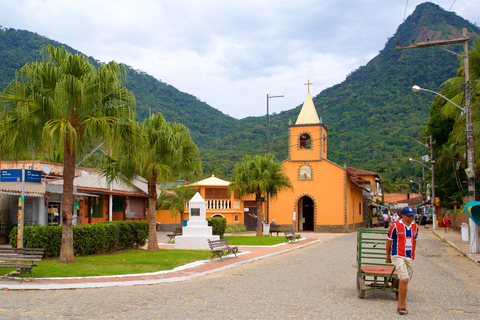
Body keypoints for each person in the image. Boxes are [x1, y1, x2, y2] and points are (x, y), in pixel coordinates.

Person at [386, 206, 419, 316]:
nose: (411, 218)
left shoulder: (415, 227)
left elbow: (415, 241)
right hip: (397, 255)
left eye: (412, 216)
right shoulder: (395, 227)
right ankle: (401, 305)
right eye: (409, 216)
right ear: (403, 216)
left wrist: (413, 254)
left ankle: (401, 301)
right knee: (404, 280)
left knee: (405, 280)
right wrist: (388, 256)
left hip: (409, 256)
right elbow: (389, 242)